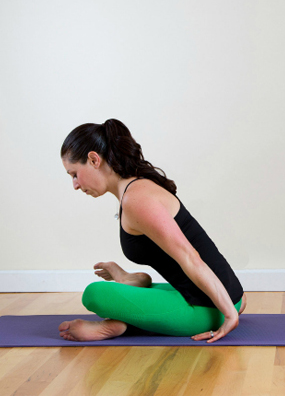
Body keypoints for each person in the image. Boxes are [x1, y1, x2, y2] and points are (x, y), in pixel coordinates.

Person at [58, 118, 246, 343]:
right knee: (145, 294)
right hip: (225, 296)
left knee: (94, 294)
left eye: (74, 174)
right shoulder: (134, 189)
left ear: (93, 159)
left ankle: (117, 326)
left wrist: (229, 315)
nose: (75, 185)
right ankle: (131, 281)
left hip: (207, 307)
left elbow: (189, 256)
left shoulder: (136, 199)